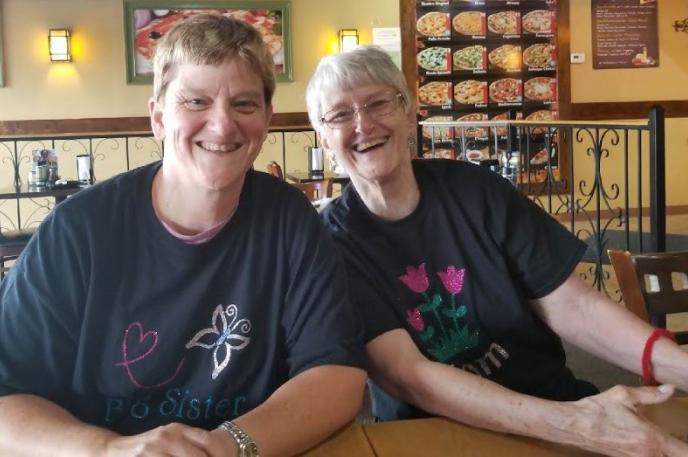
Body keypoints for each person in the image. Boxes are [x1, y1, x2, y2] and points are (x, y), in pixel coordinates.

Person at [0, 15, 366, 457]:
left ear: (267, 119)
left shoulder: (291, 221)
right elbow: (8, 399)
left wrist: (224, 447)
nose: (222, 125)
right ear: (157, 117)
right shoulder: (77, 231)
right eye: (196, 101)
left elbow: (337, 375)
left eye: (244, 105)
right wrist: (110, 450)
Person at [306, 45, 688, 457]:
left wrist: (678, 366)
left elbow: (573, 306)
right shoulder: (332, 242)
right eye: (340, 115)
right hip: (431, 437)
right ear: (323, 138)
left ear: (409, 111)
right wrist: (577, 424)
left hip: (554, 404)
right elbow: (407, 374)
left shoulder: (477, 192)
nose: (363, 124)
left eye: (378, 102)